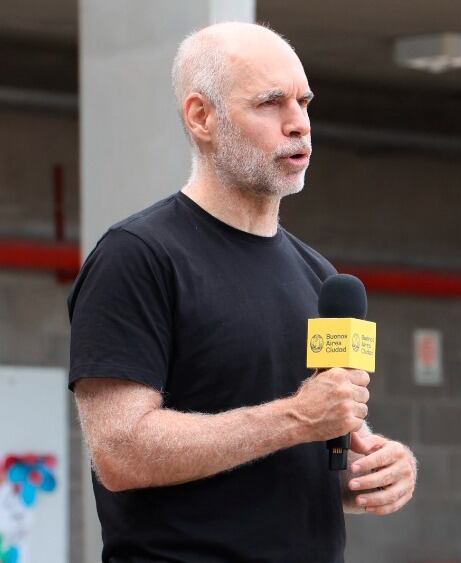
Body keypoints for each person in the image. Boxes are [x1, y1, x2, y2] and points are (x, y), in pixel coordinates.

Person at [68, 21, 417, 562]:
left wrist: (369, 472)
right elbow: (121, 452)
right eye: (270, 103)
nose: (298, 123)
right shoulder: (137, 256)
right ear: (201, 117)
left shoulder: (321, 277)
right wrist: (296, 418)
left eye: (304, 102)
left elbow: (309, 443)